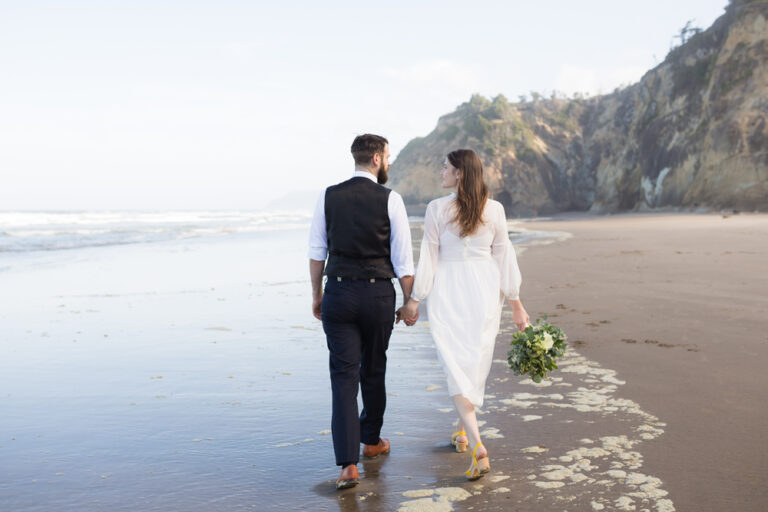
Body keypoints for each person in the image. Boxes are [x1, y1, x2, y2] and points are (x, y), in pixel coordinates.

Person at [397, 149, 529, 480]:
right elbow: (504, 258)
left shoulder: (436, 209)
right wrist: (516, 304)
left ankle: (478, 444)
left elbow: (429, 258)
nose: (441, 171)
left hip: (448, 291)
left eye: (445, 167)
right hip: (485, 291)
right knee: (471, 360)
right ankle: (461, 430)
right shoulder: (495, 210)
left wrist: (415, 299)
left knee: (454, 364)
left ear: (459, 173)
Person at [308, 134, 417, 490]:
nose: (389, 163)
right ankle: (371, 441)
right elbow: (403, 259)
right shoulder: (391, 199)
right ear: (375, 159)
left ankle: (347, 467)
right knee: (373, 368)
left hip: (338, 291)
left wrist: (317, 294)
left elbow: (316, 251)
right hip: (377, 296)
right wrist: (408, 300)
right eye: (388, 157)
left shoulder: (328, 196)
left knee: (343, 377)